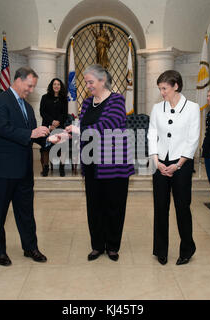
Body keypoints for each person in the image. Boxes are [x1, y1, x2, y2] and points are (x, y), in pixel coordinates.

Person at [65, 64, 135, 262]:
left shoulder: (117, 100)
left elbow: (108, 125)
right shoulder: (87, 103)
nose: (87, 86)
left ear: (103, 80)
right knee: (94, 206)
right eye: (86, 82)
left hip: (114, 163)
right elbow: (82, 125)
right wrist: (67, 133)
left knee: (114, 205)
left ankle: (112, 246)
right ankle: (97, 245)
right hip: (91, 161)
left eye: (90, 82)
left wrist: (80, 131)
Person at [0, 67, 50, 266]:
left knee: (26, 212)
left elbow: (32, 134)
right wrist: (32, 134)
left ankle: (30, 247)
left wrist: (52, 139)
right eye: (29, 86)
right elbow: (2, 128)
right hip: (2, 170)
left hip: (23, 170)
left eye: (33, 87)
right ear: (18, 81)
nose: (30, 90)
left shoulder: (28, 107)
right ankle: (0, 251)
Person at [147, 70, 200, 265]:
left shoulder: (192, 108)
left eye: (164, 88)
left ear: (176, 85)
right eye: (160, 88)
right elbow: (152, 135)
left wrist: (178, 164)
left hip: (182, 164)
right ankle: (160, 250)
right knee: (160, 207)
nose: (162, 92)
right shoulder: (156, 108)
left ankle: (187, 248)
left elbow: (193, 139)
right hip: (160, 163)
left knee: (182, 207)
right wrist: (156, 161)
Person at [39, 78, 68, 177]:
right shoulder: (45, 97)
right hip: (47, 126)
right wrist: (51, 123)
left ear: (61, 87)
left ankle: (61, 168)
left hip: (60, 126)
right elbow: (42, 112)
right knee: (45, 147)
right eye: (54, 84)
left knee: (62, 147)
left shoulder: (64, 99)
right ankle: (45, 168)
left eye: (58, 84)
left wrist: (57, 123)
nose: (56, 86)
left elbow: (64, 114)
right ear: (51, 86)